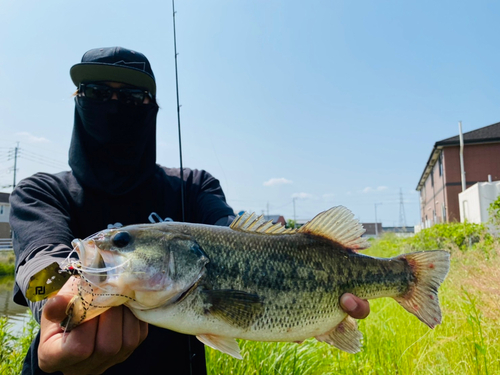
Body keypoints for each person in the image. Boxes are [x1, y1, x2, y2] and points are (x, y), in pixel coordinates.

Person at [10, 46, 369, 375]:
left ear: (151, 107)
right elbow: (40, 263)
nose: (115, 105)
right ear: (77, 100)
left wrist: (304, 289)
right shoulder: (39, 192)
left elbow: (236, 238)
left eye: (133, 97)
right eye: (98, 94)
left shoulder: (195, 186)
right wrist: (59, 300)